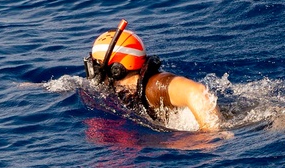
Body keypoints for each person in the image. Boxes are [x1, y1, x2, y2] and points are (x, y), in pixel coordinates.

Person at [83, 20, 221, 131]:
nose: (95, 71)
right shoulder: (129, 89)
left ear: (116, 69)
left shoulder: (153, 86)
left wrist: (210, 134)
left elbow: (197, 91)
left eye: (97, 65)